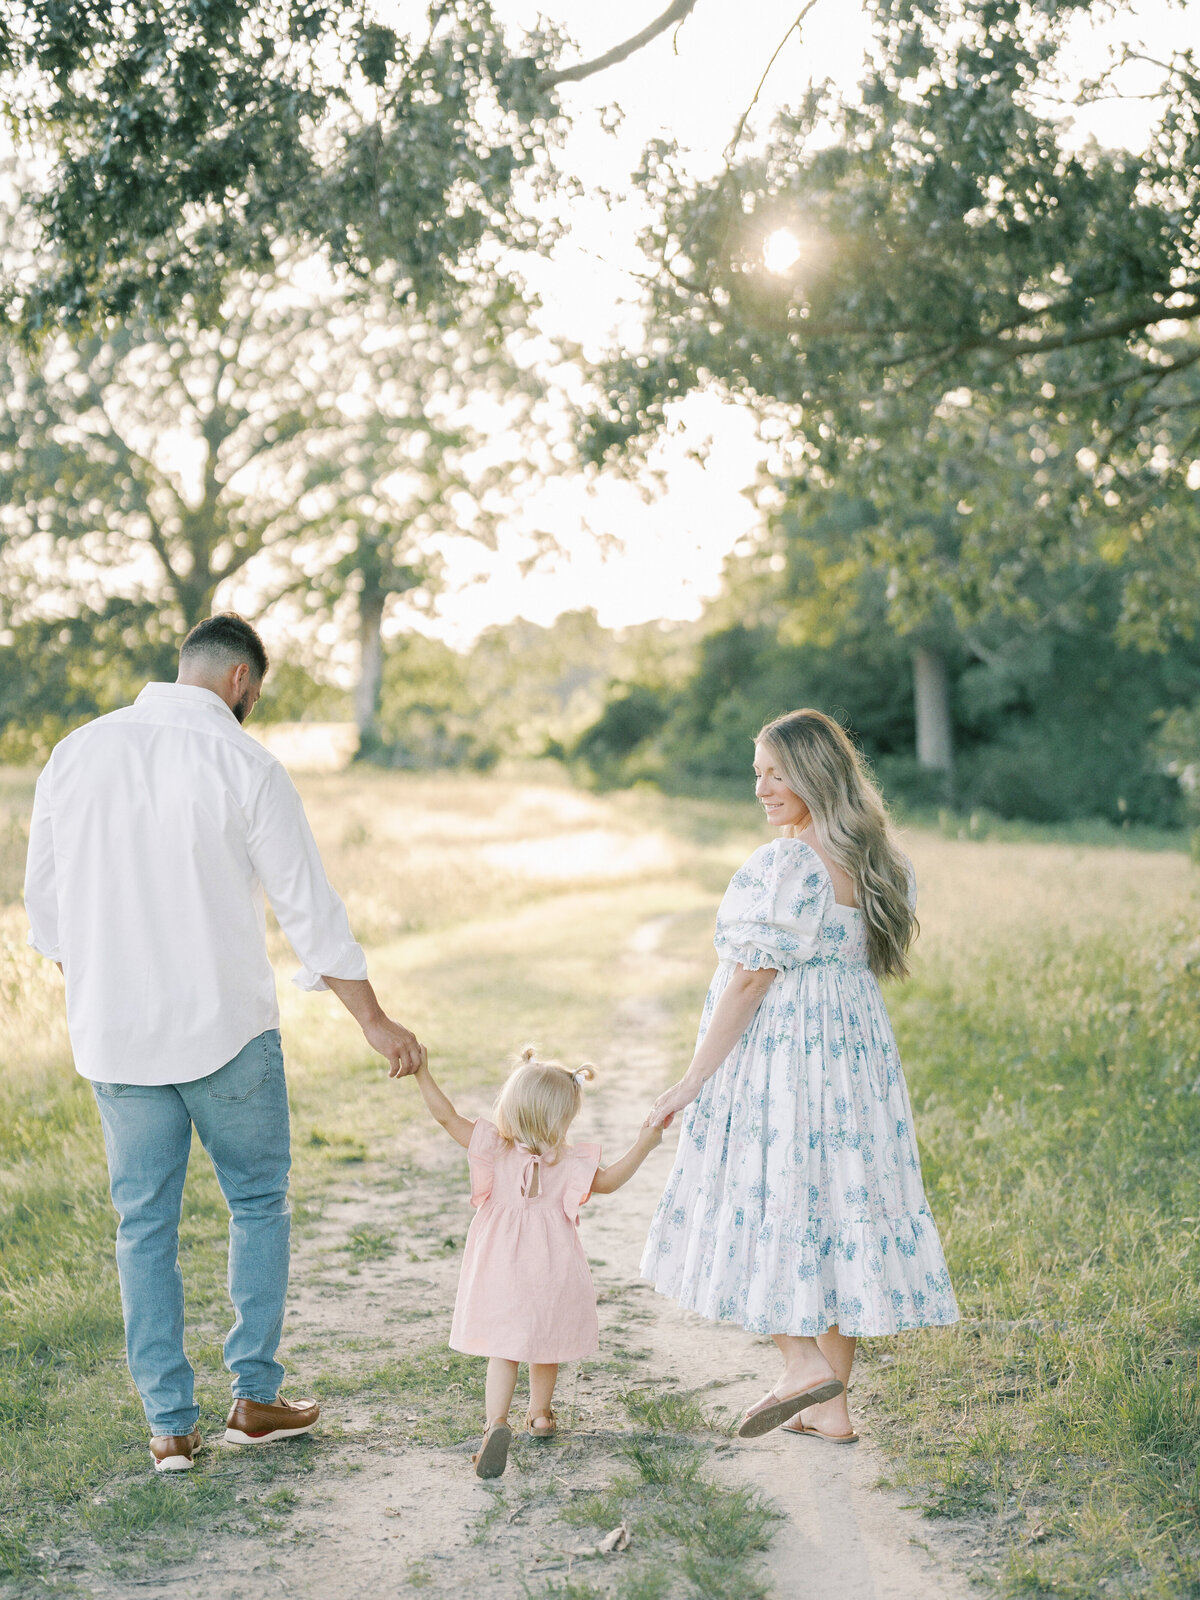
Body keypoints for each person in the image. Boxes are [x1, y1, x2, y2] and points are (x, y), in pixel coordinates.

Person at [23, 613, 426, 1473]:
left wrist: (107, 990)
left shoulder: (75, 753)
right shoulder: (246, 763)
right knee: (254, 1203)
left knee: (143, 1229)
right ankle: (254, 1397)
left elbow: (47, 911)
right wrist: (373, 1019)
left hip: (117, 1040)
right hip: (227, 1033)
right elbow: (309, 909)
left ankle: (170, 1427)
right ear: (242, 682)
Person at [642, 708, 957, 1443]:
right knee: (835, 1209)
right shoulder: (878, 858)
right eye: (758, 773)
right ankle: (831, 1407)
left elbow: (751, 981)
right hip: (855, 1057)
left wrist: (692, 1079)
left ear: (815, 772)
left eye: (776, 771)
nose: (763, 787)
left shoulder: (788, 864)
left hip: (786, 1052)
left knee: (773, 1191)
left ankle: (801, 1364)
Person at [408, 1046, 663, 1478]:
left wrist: (423, 1075)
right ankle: (541, 1414)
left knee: (505, 1347)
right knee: (548, 1339)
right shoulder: (568, 1161)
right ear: (563, 1116)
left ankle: (496, 1424)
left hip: (500, 1266)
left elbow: (446, 1117)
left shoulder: (494, 1146)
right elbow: (612, 1180)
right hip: (552, 1267)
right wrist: (646, 1142)